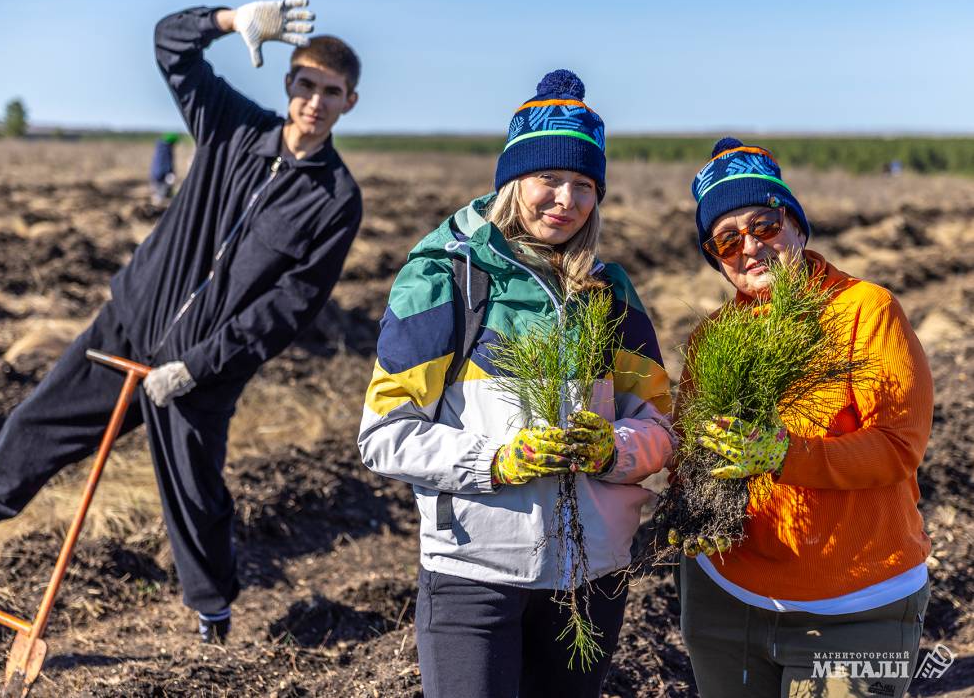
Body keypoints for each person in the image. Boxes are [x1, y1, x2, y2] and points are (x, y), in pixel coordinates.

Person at [0, 0, 363, 644]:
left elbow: (285, 309)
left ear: (350, 101)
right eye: (306, 85)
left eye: (332, 92)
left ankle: (212, 614)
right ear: (288, 83)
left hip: (201, 365)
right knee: (37, 422)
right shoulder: (233, 126)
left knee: (194, 495)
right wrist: (229, 20)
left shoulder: (335, 200)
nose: (314, 102)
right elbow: (169, 47)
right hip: (128, 326)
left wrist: (196, 367)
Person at [358, 70, 675, 698]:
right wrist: (495, 461)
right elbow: (385, 435)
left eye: (584, 185)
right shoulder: (447, 279)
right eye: (548, 180)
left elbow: (660, 425)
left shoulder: (609, 292)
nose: (566, 199)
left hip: (591, 576)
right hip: (475, 574)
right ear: (512, 182)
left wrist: (616, 450)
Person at [673, 137, 933, 697]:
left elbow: (896, 445)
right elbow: (687, 454)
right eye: (726, 239)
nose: (750, 247)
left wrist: (783, 455)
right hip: (726, 603)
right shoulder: (712, 339)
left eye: (764, 226)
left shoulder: (867, 310)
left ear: (794, 224)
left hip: (859, 603)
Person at [149, 132, 179, 205]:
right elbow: (166, 163)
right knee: (161, 194)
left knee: (159, 192)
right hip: (162, 175)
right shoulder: (166, 150)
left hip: (155, 174)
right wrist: (169, 173)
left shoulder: (160, 147)